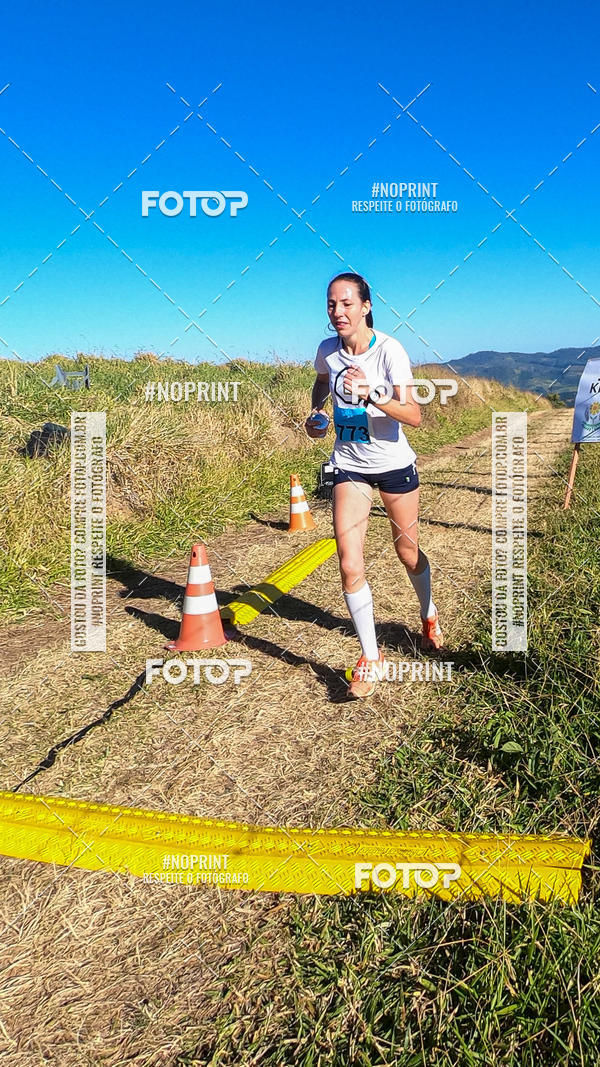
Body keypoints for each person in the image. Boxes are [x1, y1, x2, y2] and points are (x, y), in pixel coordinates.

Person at [305, 271, 444, 699]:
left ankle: (428, 614)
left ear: (365, 306)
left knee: (406, 550)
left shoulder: (390, 350)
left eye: (346, 303)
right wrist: (316, 415)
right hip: (350, 466)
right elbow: (322, 383)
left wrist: (372, 395)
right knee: (349, 563)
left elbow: (414, 415)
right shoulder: (327, 352)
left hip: (394, 465)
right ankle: (371, 657)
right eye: (331, 304)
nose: (338, 311)